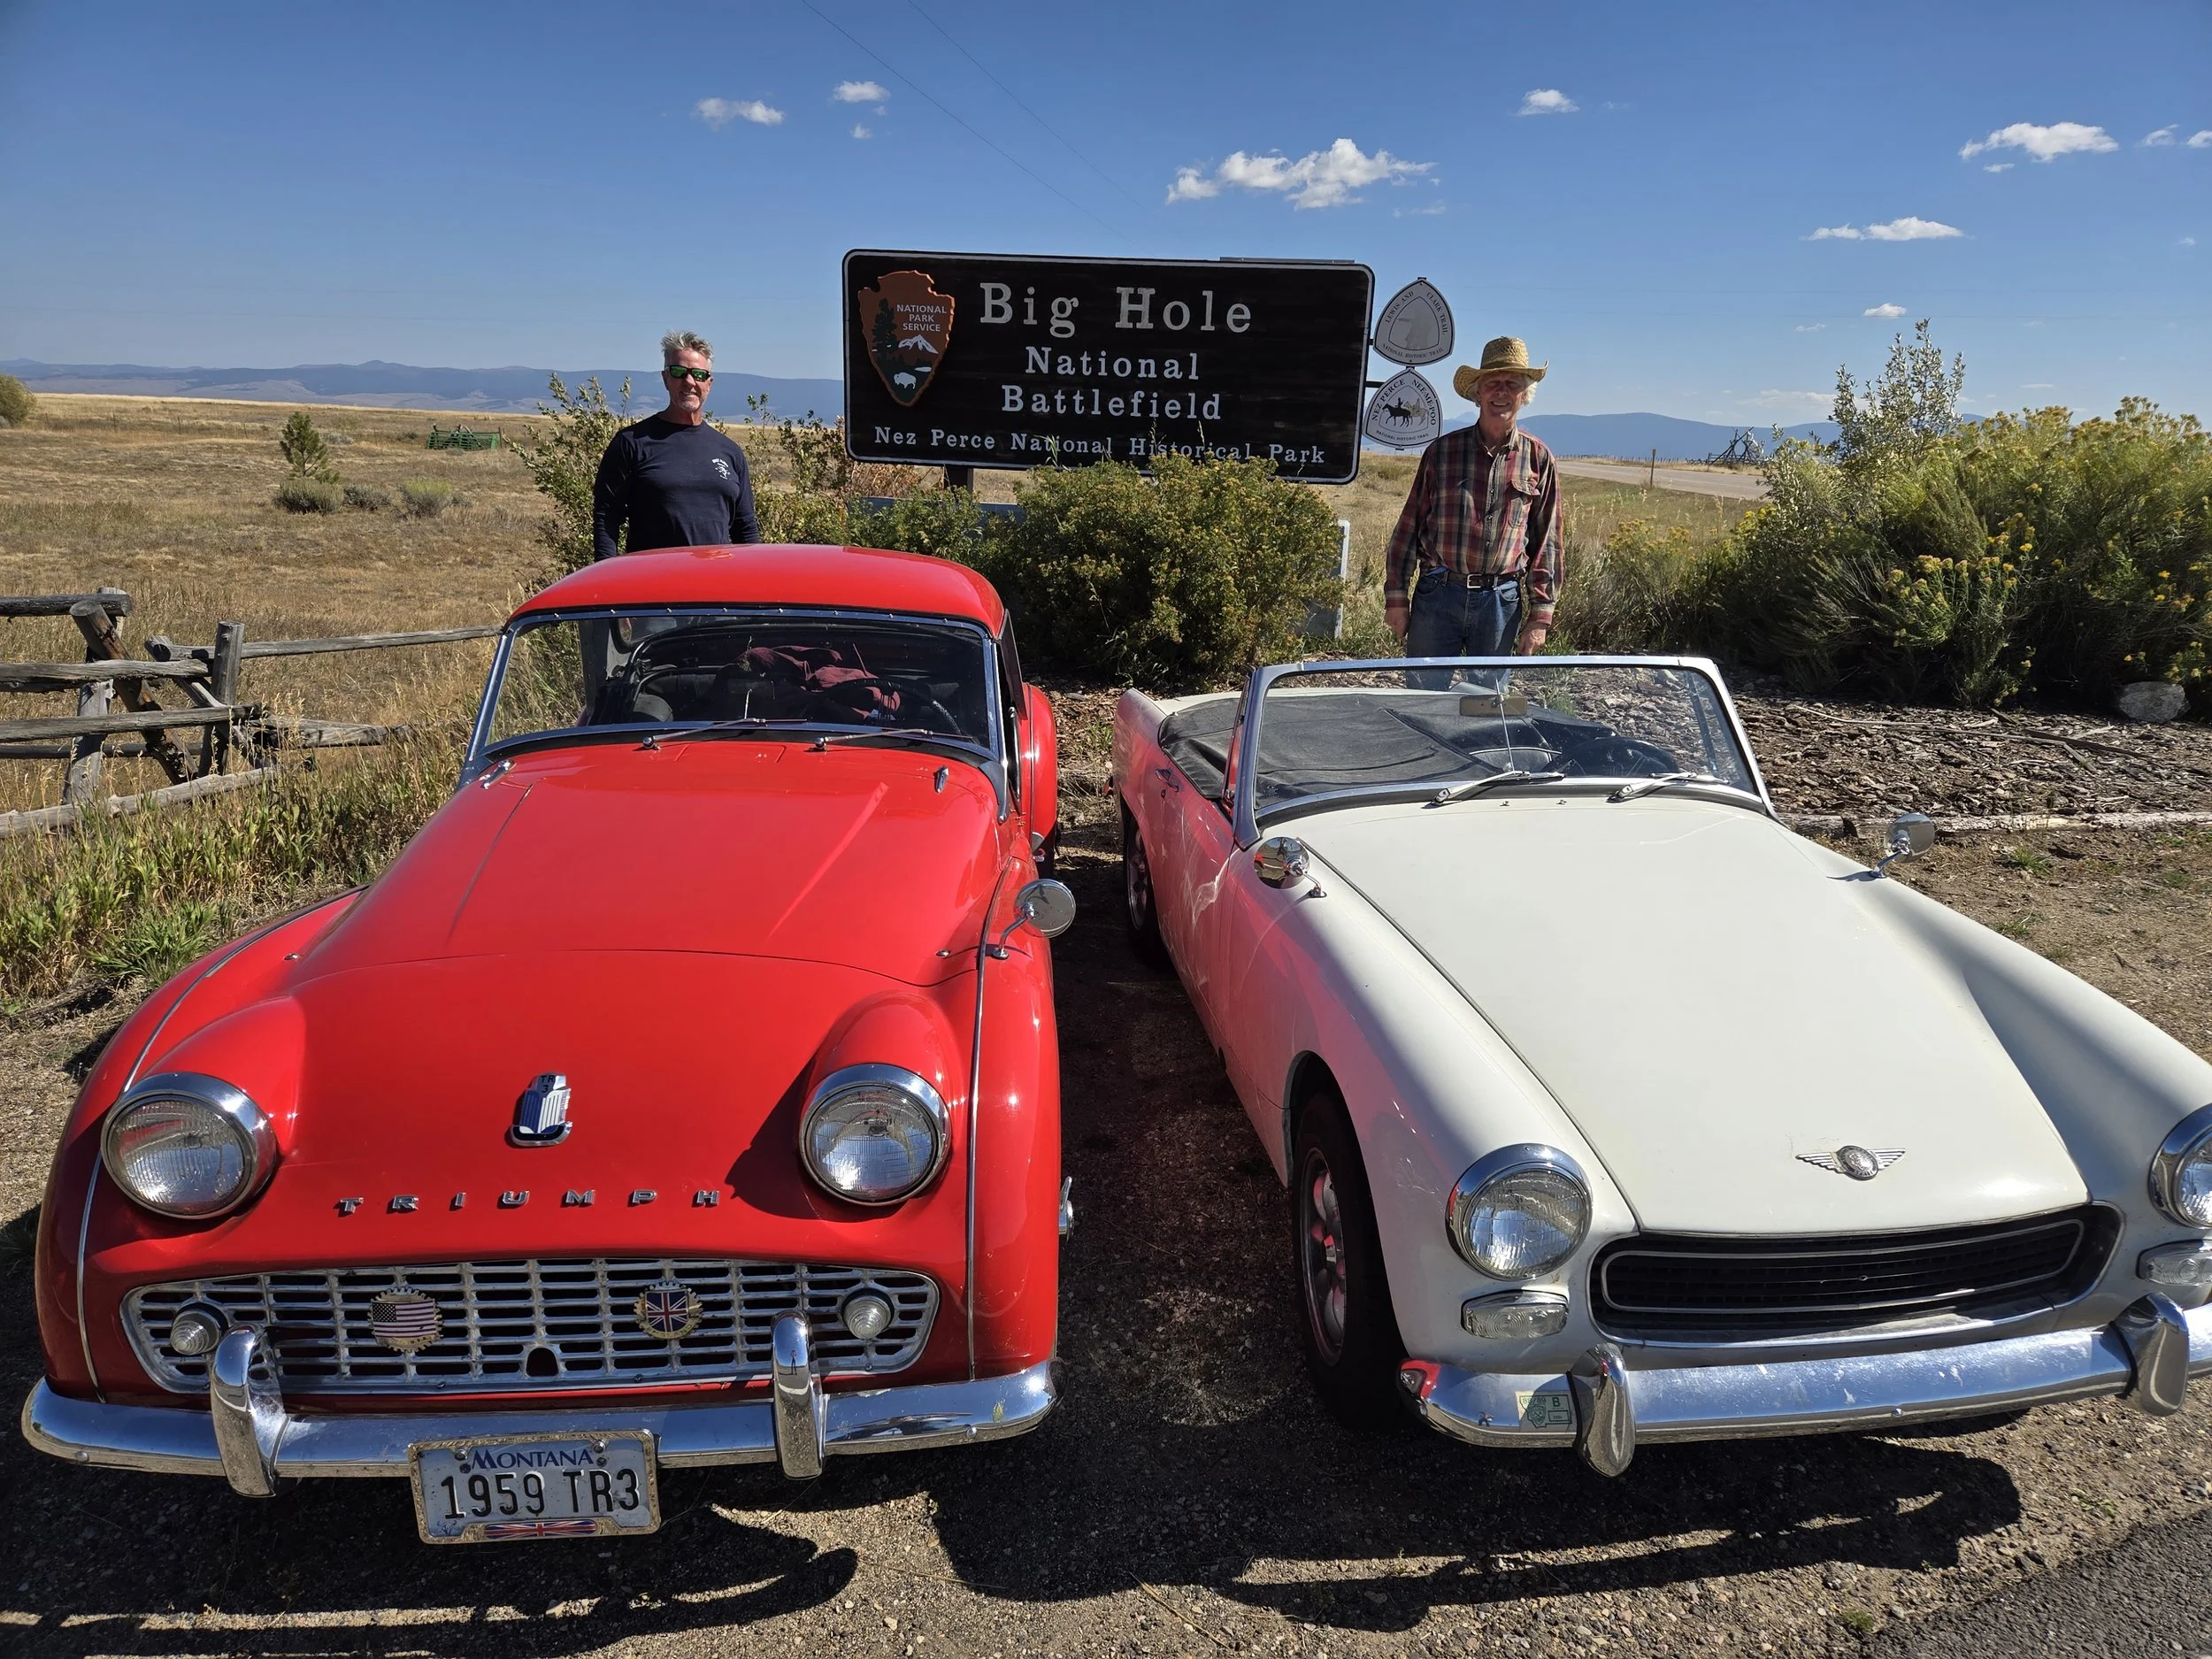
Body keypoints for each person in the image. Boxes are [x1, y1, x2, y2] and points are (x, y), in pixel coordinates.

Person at [1382, 336, 1563, 670]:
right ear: (1478, 393)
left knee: (1488, 704)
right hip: (1439, 592)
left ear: (1524, 395)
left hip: (1501, 599)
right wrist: (1396, 598)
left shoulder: (1538, 458)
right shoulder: (1442, 453)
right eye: (1492, 383)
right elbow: (1408, 528)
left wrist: (1540, 616)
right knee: (1425, 699)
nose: (1501, 392)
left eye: (1512, 384)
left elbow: (1546, 543)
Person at [590, 331, 760, 559]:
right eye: (679, 372)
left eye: (699, 374)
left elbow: (745, 528)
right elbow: (606, 517)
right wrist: (606, 576)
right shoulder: (632, 442)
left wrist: (751, 581)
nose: (689, 382)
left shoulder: (729, 452)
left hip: (715, 587)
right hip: (653, 586)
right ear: (665, 378)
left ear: (709, 383)